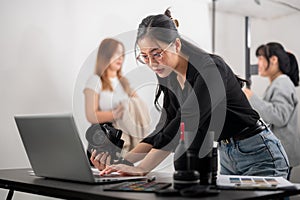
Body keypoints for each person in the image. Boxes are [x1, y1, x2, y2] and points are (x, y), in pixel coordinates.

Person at [90, 10, 289, 179]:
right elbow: (164, 128)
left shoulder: (211, 68)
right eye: (145, 56)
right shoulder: (168, 75)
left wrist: (142, 168)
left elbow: (187, 120)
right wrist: (123, 162)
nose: (151, 63)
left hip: (259, 151)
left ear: (176, 45)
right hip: (226, 155)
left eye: (157, 53)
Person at [84, 38, 149, 158]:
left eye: (122, 54)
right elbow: (91, 116)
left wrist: (126, 110)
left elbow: (138, 106)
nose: (120, 57)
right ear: (106, 55)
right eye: (116, 53)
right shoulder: (95, 80)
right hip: (104, 137)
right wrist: (115, 114)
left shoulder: (124, 82)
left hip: (123, 137)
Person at [243, 42, 300, 180]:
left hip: (283, 153)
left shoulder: (282, 82)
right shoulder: (278, 82)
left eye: (261, 58)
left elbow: (280, 116)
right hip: (281, 152)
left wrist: (252, 97)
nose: (258, 63)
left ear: (273, 60)